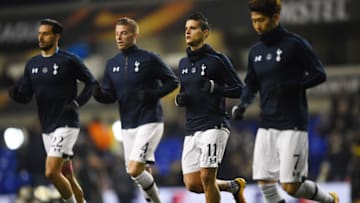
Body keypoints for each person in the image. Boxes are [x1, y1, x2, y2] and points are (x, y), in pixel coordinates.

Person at [231, 0, 339, 202]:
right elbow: (251, 84)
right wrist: (243, 105)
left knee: (291, 187)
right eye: (254, 21)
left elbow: (319, 74)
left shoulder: (295, 44)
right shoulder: (255, 52)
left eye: (261, 20)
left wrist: (294, 85)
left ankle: (330, 200)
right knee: (265, 182)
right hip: (267, 124)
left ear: (276, 18)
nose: (257, 25)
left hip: (292, 123)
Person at [8, 19, 95, 203]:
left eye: (45, 33)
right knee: (67, 176)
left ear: (56, 37)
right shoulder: (32, 64)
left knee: (50, 172)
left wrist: (78, 102)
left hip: (66, 123)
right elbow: (25, 95)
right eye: (39, 33)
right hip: (47, 127)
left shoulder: (69, 60)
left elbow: (91, 82)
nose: (41, 37)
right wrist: (15, 94)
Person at [93, 17, 178, 203]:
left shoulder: (149, 58)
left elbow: (172, 81)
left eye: (123, 33)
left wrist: (154, 94)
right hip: (127, 125)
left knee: (134, 169)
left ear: (134, 35)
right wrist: (98, 94)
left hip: (150, 121)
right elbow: (110, 95)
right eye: (117, 34)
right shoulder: (112, 64)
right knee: (139, 172)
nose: (119, 37)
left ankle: (157, 201)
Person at [175, 12, 246, 203]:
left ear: (205, 32)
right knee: (193, 184)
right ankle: (233, 187)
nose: (188, 32)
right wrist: (181, 99)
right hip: (192, 128)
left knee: (207, 177)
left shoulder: (217, 60)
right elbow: (186, 92)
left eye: (193, 28)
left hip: (213, 125)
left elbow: (240, 89)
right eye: (186, 29)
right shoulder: (182, 64)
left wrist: (217, 88)